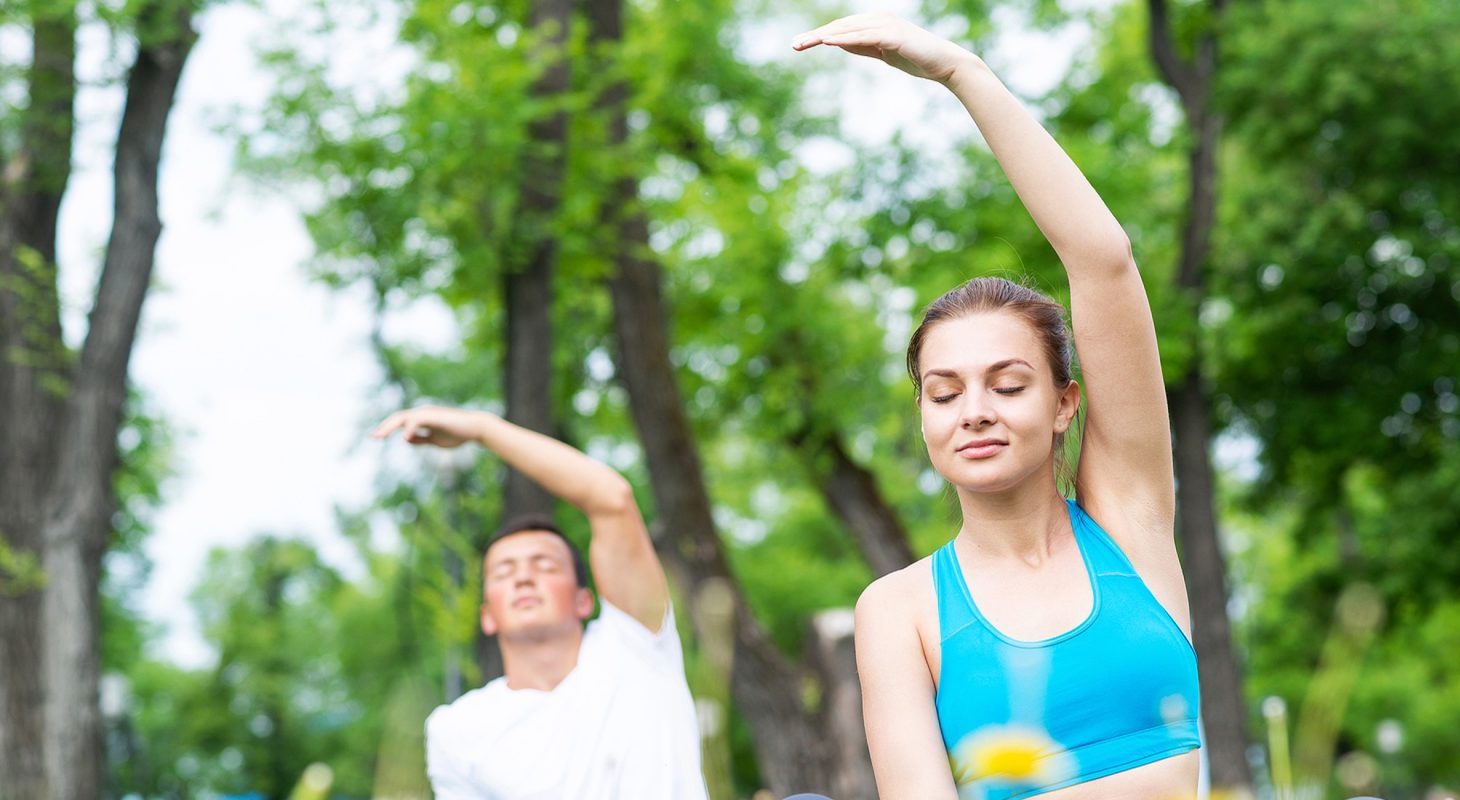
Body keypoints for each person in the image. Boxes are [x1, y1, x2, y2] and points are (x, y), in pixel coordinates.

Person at [792, 14, 1201, 800]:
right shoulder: (899, 609)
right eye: (944, 394)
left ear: (1063, 404)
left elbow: (1104, 261)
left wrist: (961, 74)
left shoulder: (1129, 521)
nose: (974, 411)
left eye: (1008, 385)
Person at [371, 405, 708, 800]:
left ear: (584, 600)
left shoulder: (636, 646)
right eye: (503, 572)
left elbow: (611, 499)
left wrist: (483, 429)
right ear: (487, 616)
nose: (523, 576)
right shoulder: (457, 728)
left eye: (544, 565)